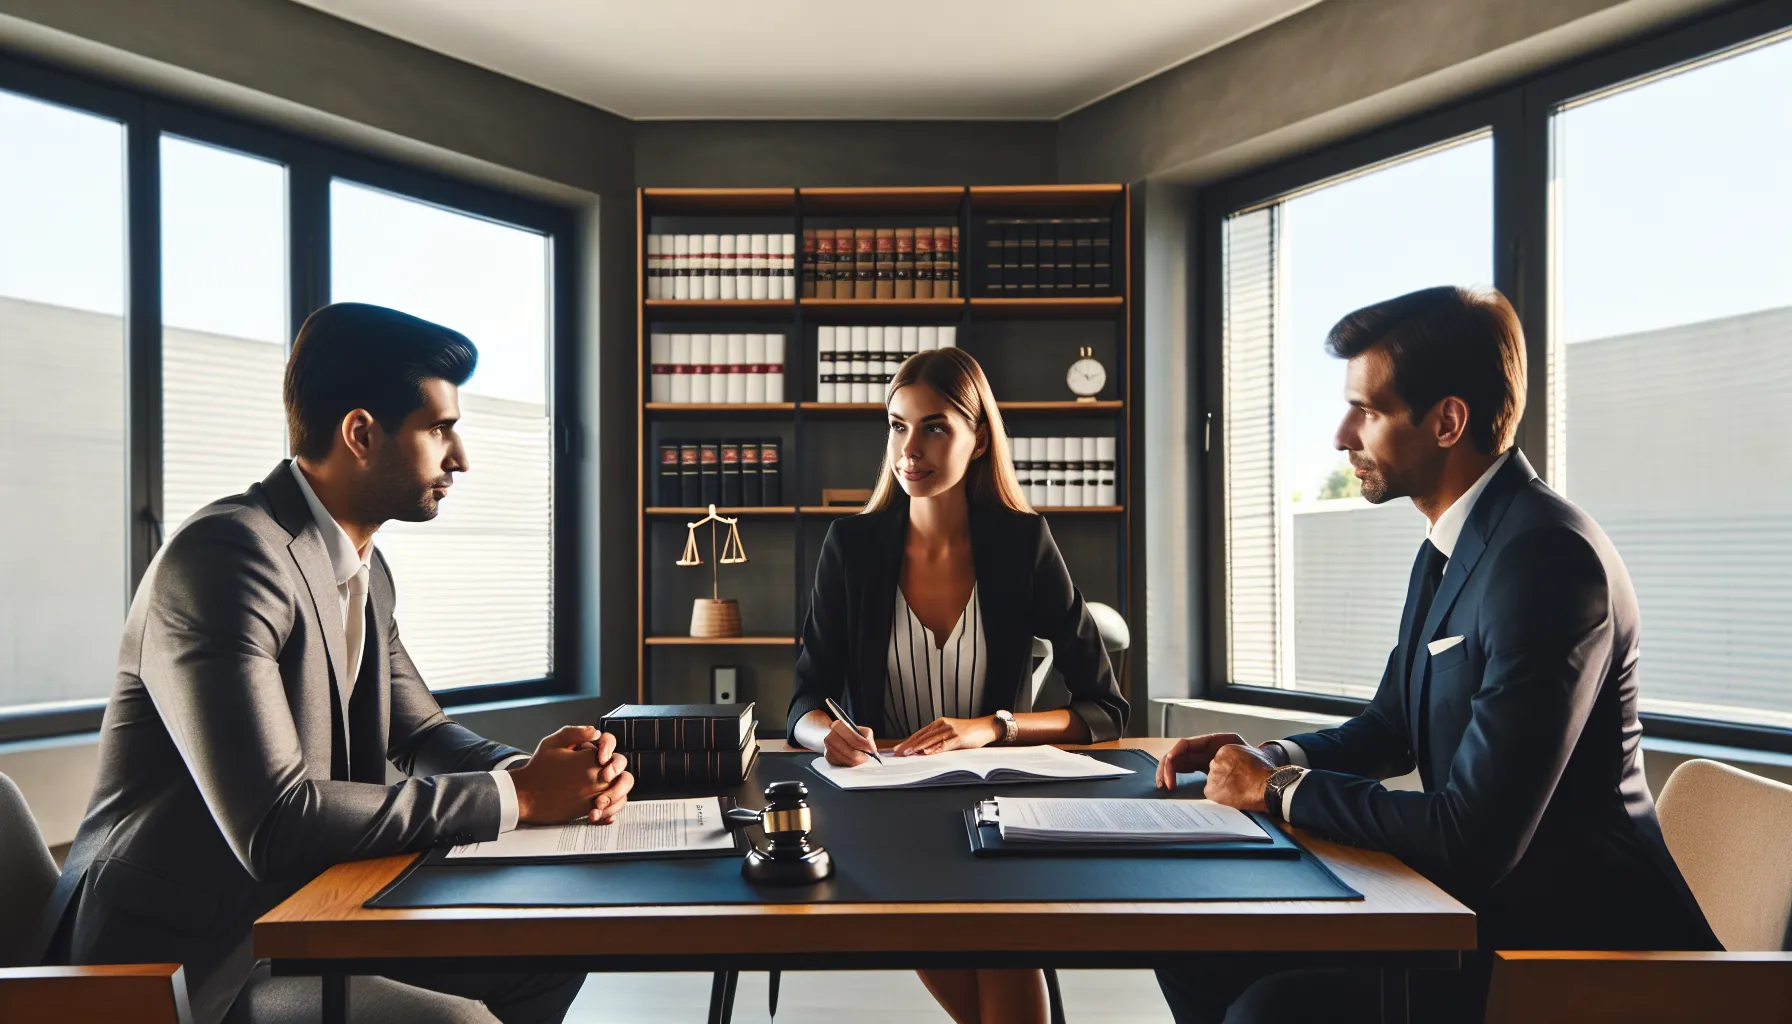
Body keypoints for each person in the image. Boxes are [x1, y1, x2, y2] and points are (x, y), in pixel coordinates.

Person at [31, 303, 633, 1024]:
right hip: (184, 962)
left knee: (547, 951)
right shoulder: (226, 559)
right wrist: (522, 800)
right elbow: (275, 822)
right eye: (440, 428)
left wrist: (529, 771)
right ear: (360, 433)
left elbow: (418, 735)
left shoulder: (364, 572)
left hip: (310, 913)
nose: (460, 457)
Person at [1154, 285, 1717, 1022]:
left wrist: (1277, 790)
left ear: (1448, 421)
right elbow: (1391, 726)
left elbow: (1472, 837)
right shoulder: (1451, 543)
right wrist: (1268, 754)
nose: (1340, 435)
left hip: (1575, 950)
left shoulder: (1549, 559)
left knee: (1273, 1011)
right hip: (1479, 914)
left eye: (1369, 410)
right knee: (1198, 948)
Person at [788, 347, 1129, 1024]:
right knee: (999, 954)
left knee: (1000, 943)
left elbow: (1107, 710)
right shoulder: (850, 548)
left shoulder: (1023, 543)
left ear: (978, 440)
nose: (909, 449)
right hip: (885, 809)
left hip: (995, 805)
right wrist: (830, 735)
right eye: (896, 425)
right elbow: (802, 700)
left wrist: (991, 728)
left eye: (935, 427)